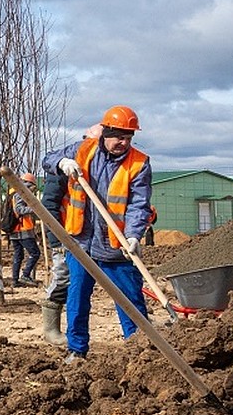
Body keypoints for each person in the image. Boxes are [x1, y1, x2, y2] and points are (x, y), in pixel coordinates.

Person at [42, 105, 153, 363]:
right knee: (77, 300)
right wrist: (62, 162)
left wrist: (135, 235)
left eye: (128, 138)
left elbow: (139, 205)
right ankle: (76, 350)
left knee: (131, 303)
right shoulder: (83, 150)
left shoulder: (139, 164)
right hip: (81, 245)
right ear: (105, 133)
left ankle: (139, 354)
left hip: (116, 247)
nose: (123, 143)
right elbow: (47, 159)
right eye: (119, 137)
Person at [37, 169, 69, 345]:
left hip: (87, 237)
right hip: (65, 237)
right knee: (63, 278)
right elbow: (48, 208)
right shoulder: (62, 170)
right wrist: (58, 240)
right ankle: (51, 330)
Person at [9, 172, 41, 286]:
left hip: (14, 229)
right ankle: (25, 275)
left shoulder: (13, 192)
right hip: (22, 229)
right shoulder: (21, 193)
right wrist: (35, 208)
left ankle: (15, 280)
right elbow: (19, 210)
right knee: (35, 253)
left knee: (18, 255)